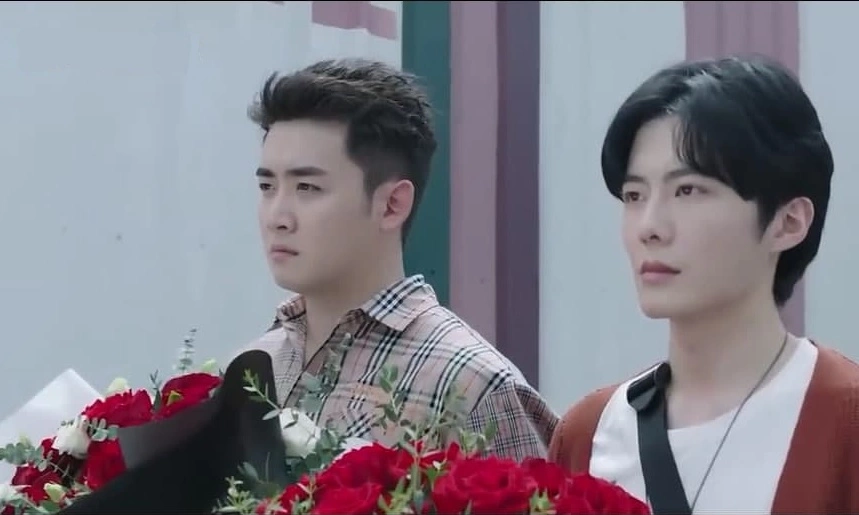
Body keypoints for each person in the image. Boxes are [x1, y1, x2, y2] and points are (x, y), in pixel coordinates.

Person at [549, 55, 859, 514]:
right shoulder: (588, 434)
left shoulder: (844, 423)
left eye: (688, 191)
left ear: (788, 222)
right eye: (634, 195)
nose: (649, 227)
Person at [240, 58, 557, 461]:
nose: (277, 217)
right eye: (267, 186)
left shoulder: (471, 386)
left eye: (307, 187)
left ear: (392, 204)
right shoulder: (251, 369)